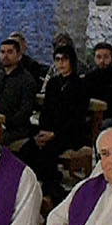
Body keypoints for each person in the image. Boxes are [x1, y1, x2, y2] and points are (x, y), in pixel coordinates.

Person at [15, 45, 89, 203]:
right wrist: (42, 132)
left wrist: (54, 134)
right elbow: (46, 111)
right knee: (27, 149)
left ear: (71, 61)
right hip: (49, 131)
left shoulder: (80, 85)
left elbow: (77, 117)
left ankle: (51, 191)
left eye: (64, 59)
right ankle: (32, 187)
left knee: (48, 151)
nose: (61, 63)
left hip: (70, 132)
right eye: (57, 60)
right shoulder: (53, 83)